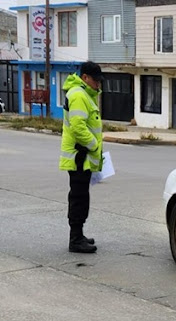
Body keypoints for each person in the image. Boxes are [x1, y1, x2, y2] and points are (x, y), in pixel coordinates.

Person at [59, 61, 104, 253]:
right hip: (80, 156)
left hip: (82, 156)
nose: (98, 85)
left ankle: (78, 235)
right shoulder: (78, 95)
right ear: (85, 77)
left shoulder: (84, 94)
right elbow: (78, 126)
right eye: (95, 80)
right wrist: (94, 146)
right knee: (78, 197)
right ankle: (75, 239)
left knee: (81, 196)